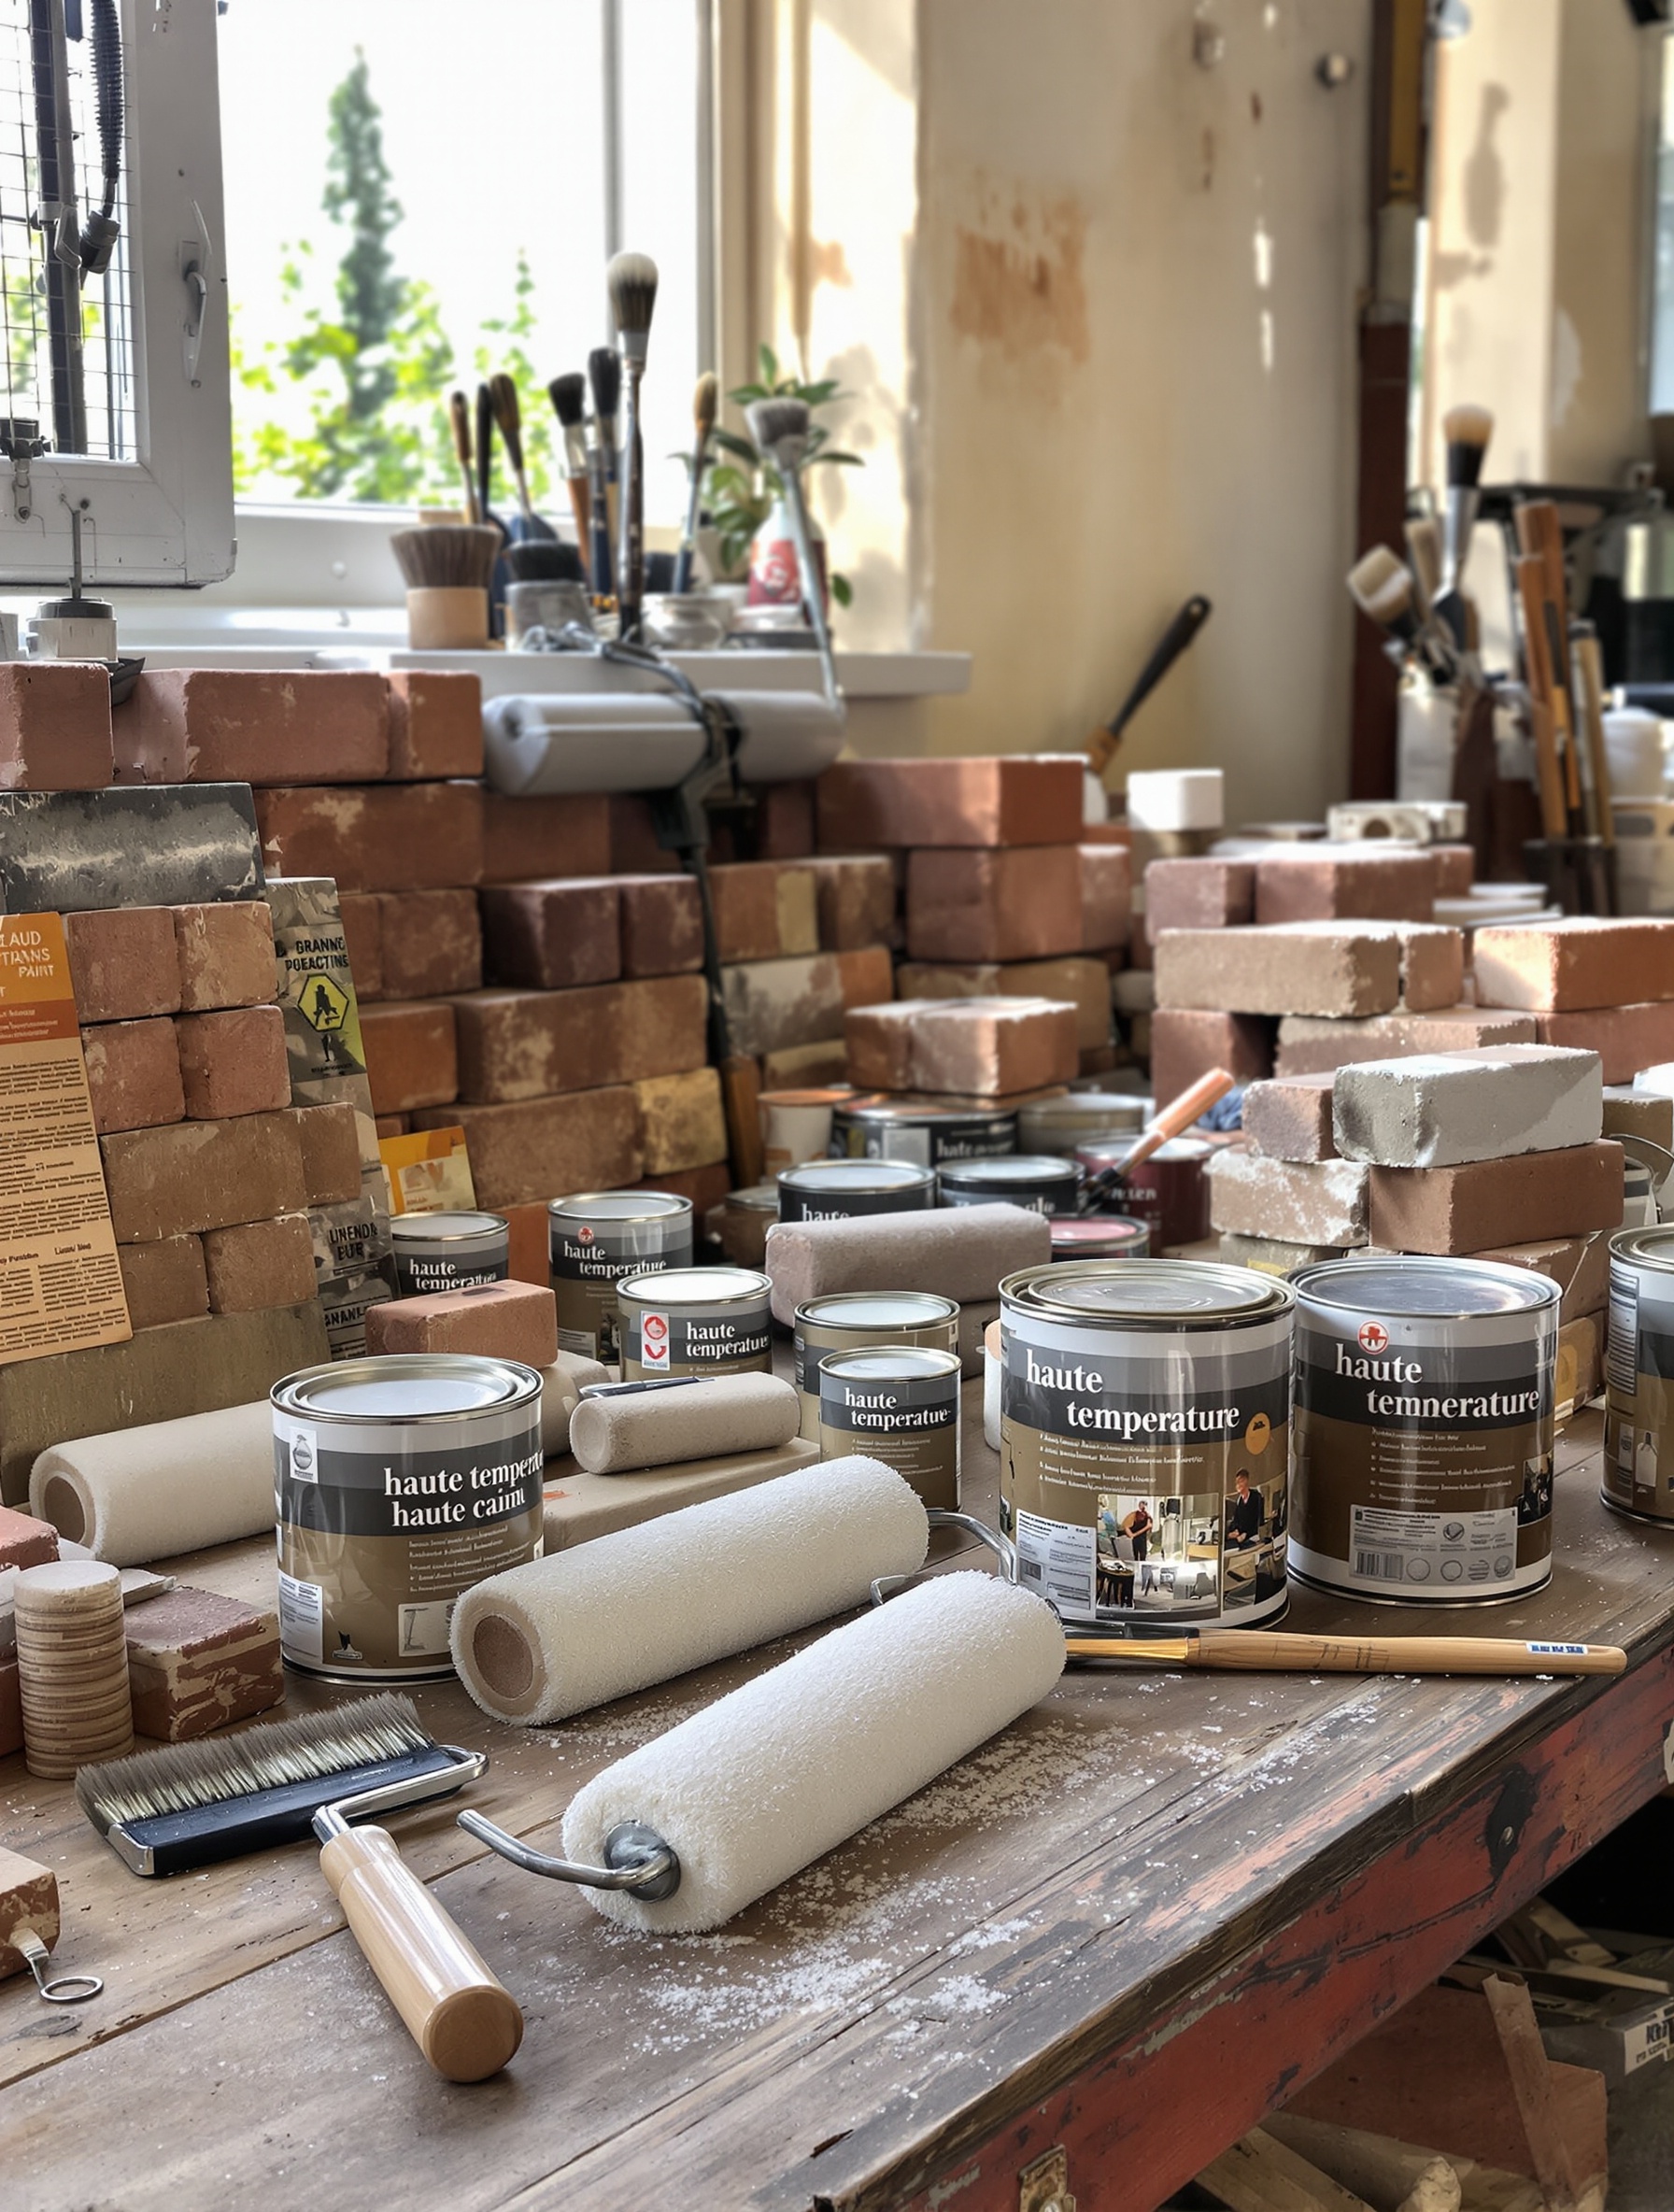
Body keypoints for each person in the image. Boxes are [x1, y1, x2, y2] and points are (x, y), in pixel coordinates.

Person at [1226, 1472, 1263, 1549]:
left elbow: (1259, 1521)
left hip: (1253, 1537)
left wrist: (1246, 1534)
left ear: (1246, 1481)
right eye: (1236, 1483)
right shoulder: (1239, 1501)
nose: (1238, 1486)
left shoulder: (1256, 1497)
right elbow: (1236, 1520)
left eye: (1240, 1482)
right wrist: (1234, 1532)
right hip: (1241, 1537)